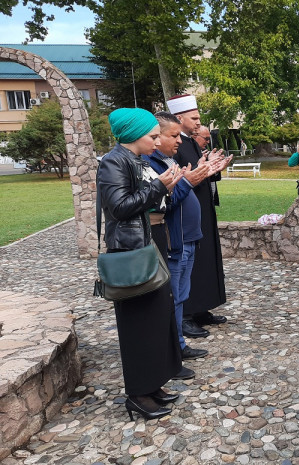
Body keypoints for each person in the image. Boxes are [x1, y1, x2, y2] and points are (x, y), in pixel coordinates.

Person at [97, 107, 185, 420]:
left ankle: (152, 384)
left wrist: (162, 187)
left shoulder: (131, 160)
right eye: (152, 135)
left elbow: (139, 202)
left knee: (156, 317)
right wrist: (159, 186)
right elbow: (120, 208)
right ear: (134, 135)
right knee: (138, 326)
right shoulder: (113, 162)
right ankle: (138, 393)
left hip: (142, 246)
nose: (157, 139)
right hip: (128, 253)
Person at [144, 112, 220, 361]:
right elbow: (162, 203)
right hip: (175, 239)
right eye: (173, 136)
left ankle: (178, 345)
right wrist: (188, 181)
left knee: (180, 295)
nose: (179, 141)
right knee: (173, 296)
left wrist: (199, 174)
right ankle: (175, 346)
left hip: (187, 237)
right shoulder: (151, 164)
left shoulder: (167, 161)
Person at [167, 94, 233, 337]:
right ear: (179, 117)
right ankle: (186, 314)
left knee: (204, 259)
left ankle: (203, 306)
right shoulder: (175, 146)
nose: (198, 122)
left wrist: (214, 169)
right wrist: (200, 171)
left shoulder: (191, 142)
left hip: (202, 209)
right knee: (188, 264)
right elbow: (182, 176)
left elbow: (200, 172)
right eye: (194, 118)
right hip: (185, 210)